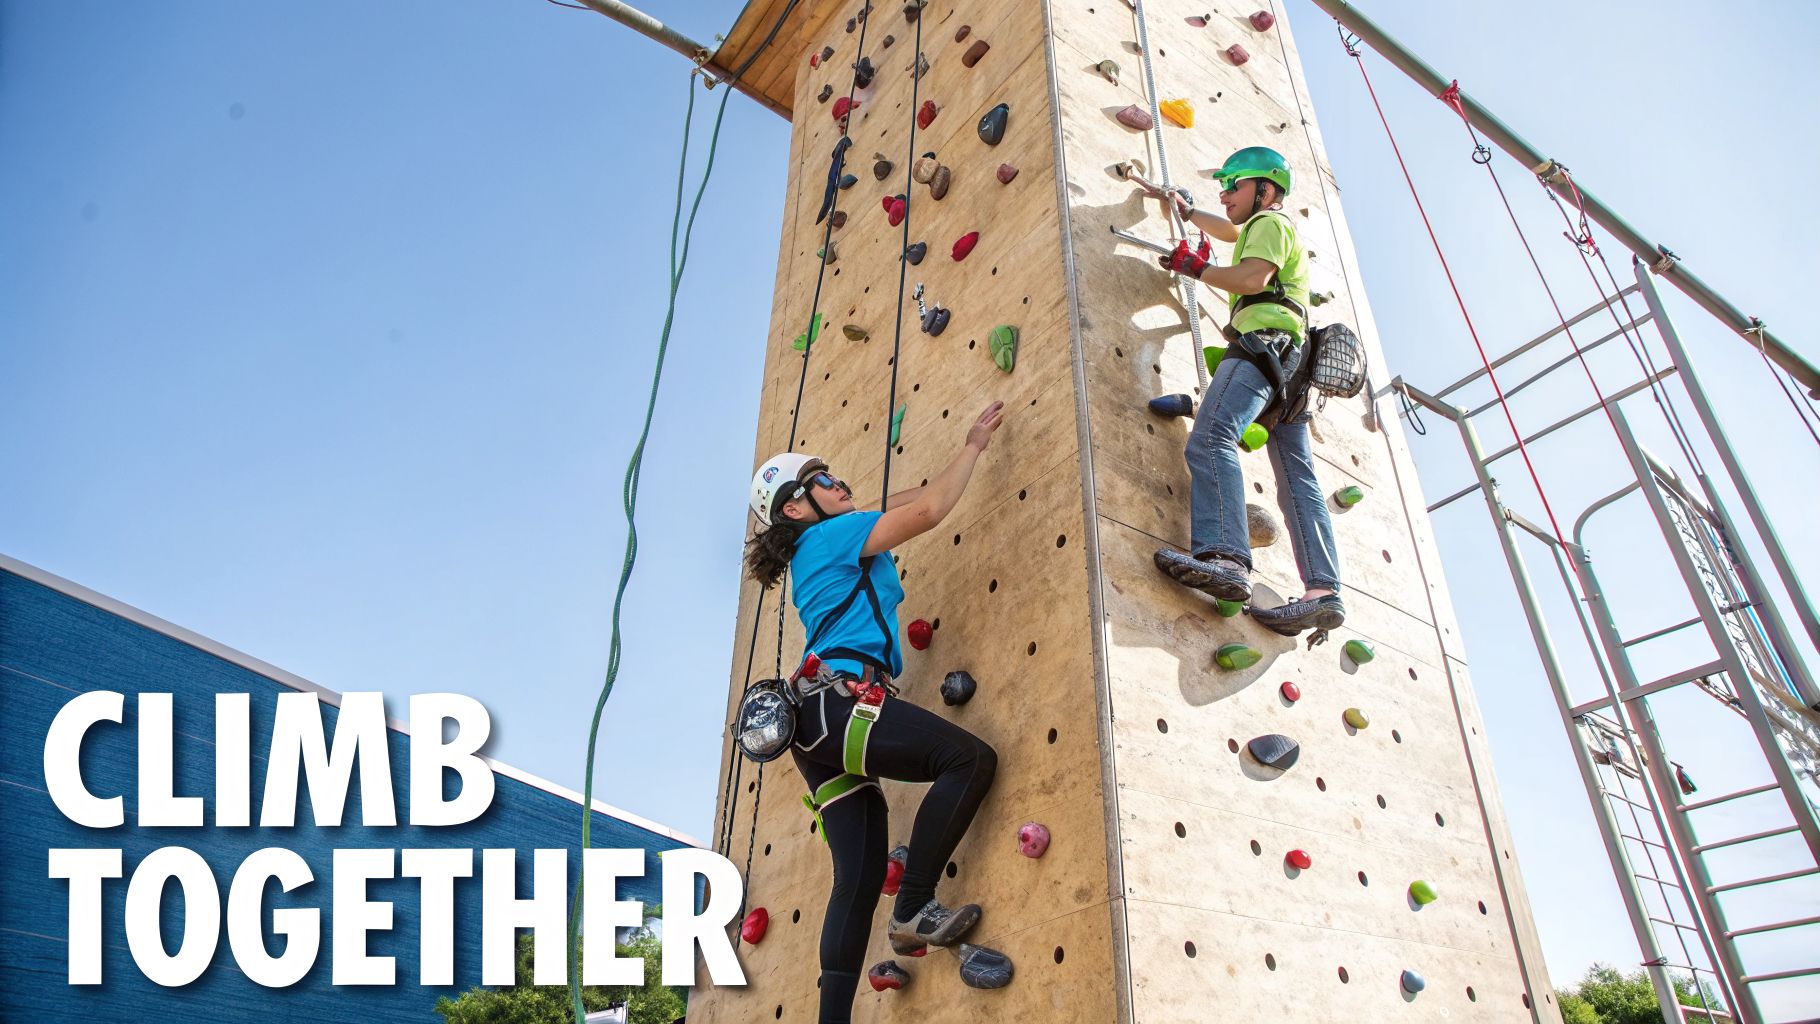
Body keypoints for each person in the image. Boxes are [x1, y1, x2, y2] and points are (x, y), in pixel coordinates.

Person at [743, 401, 1007, 1023]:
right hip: (841, 702)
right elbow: (930, 509)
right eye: (825, 480)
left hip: (812, 727)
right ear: (794, 508)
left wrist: (891, 486)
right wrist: (971, 446)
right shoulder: (829, 535)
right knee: (967, 759)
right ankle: (914, 904)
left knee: (857, 879)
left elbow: (895, 500)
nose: (841, 484)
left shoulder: (824, 537)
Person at [1149, 146, 1345, 636]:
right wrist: (1189, 212)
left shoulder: (1272, 225)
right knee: (1297, 478)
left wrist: (1196, 270)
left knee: (1212, 436)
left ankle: (1226, 560)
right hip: (1294, 369)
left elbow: (1252, 277)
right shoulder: (1263, 230)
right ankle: (1323, 591)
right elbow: (1233, 234)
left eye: (1234, 185)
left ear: (1266, 189)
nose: (1225, 192)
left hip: (1263, 348)